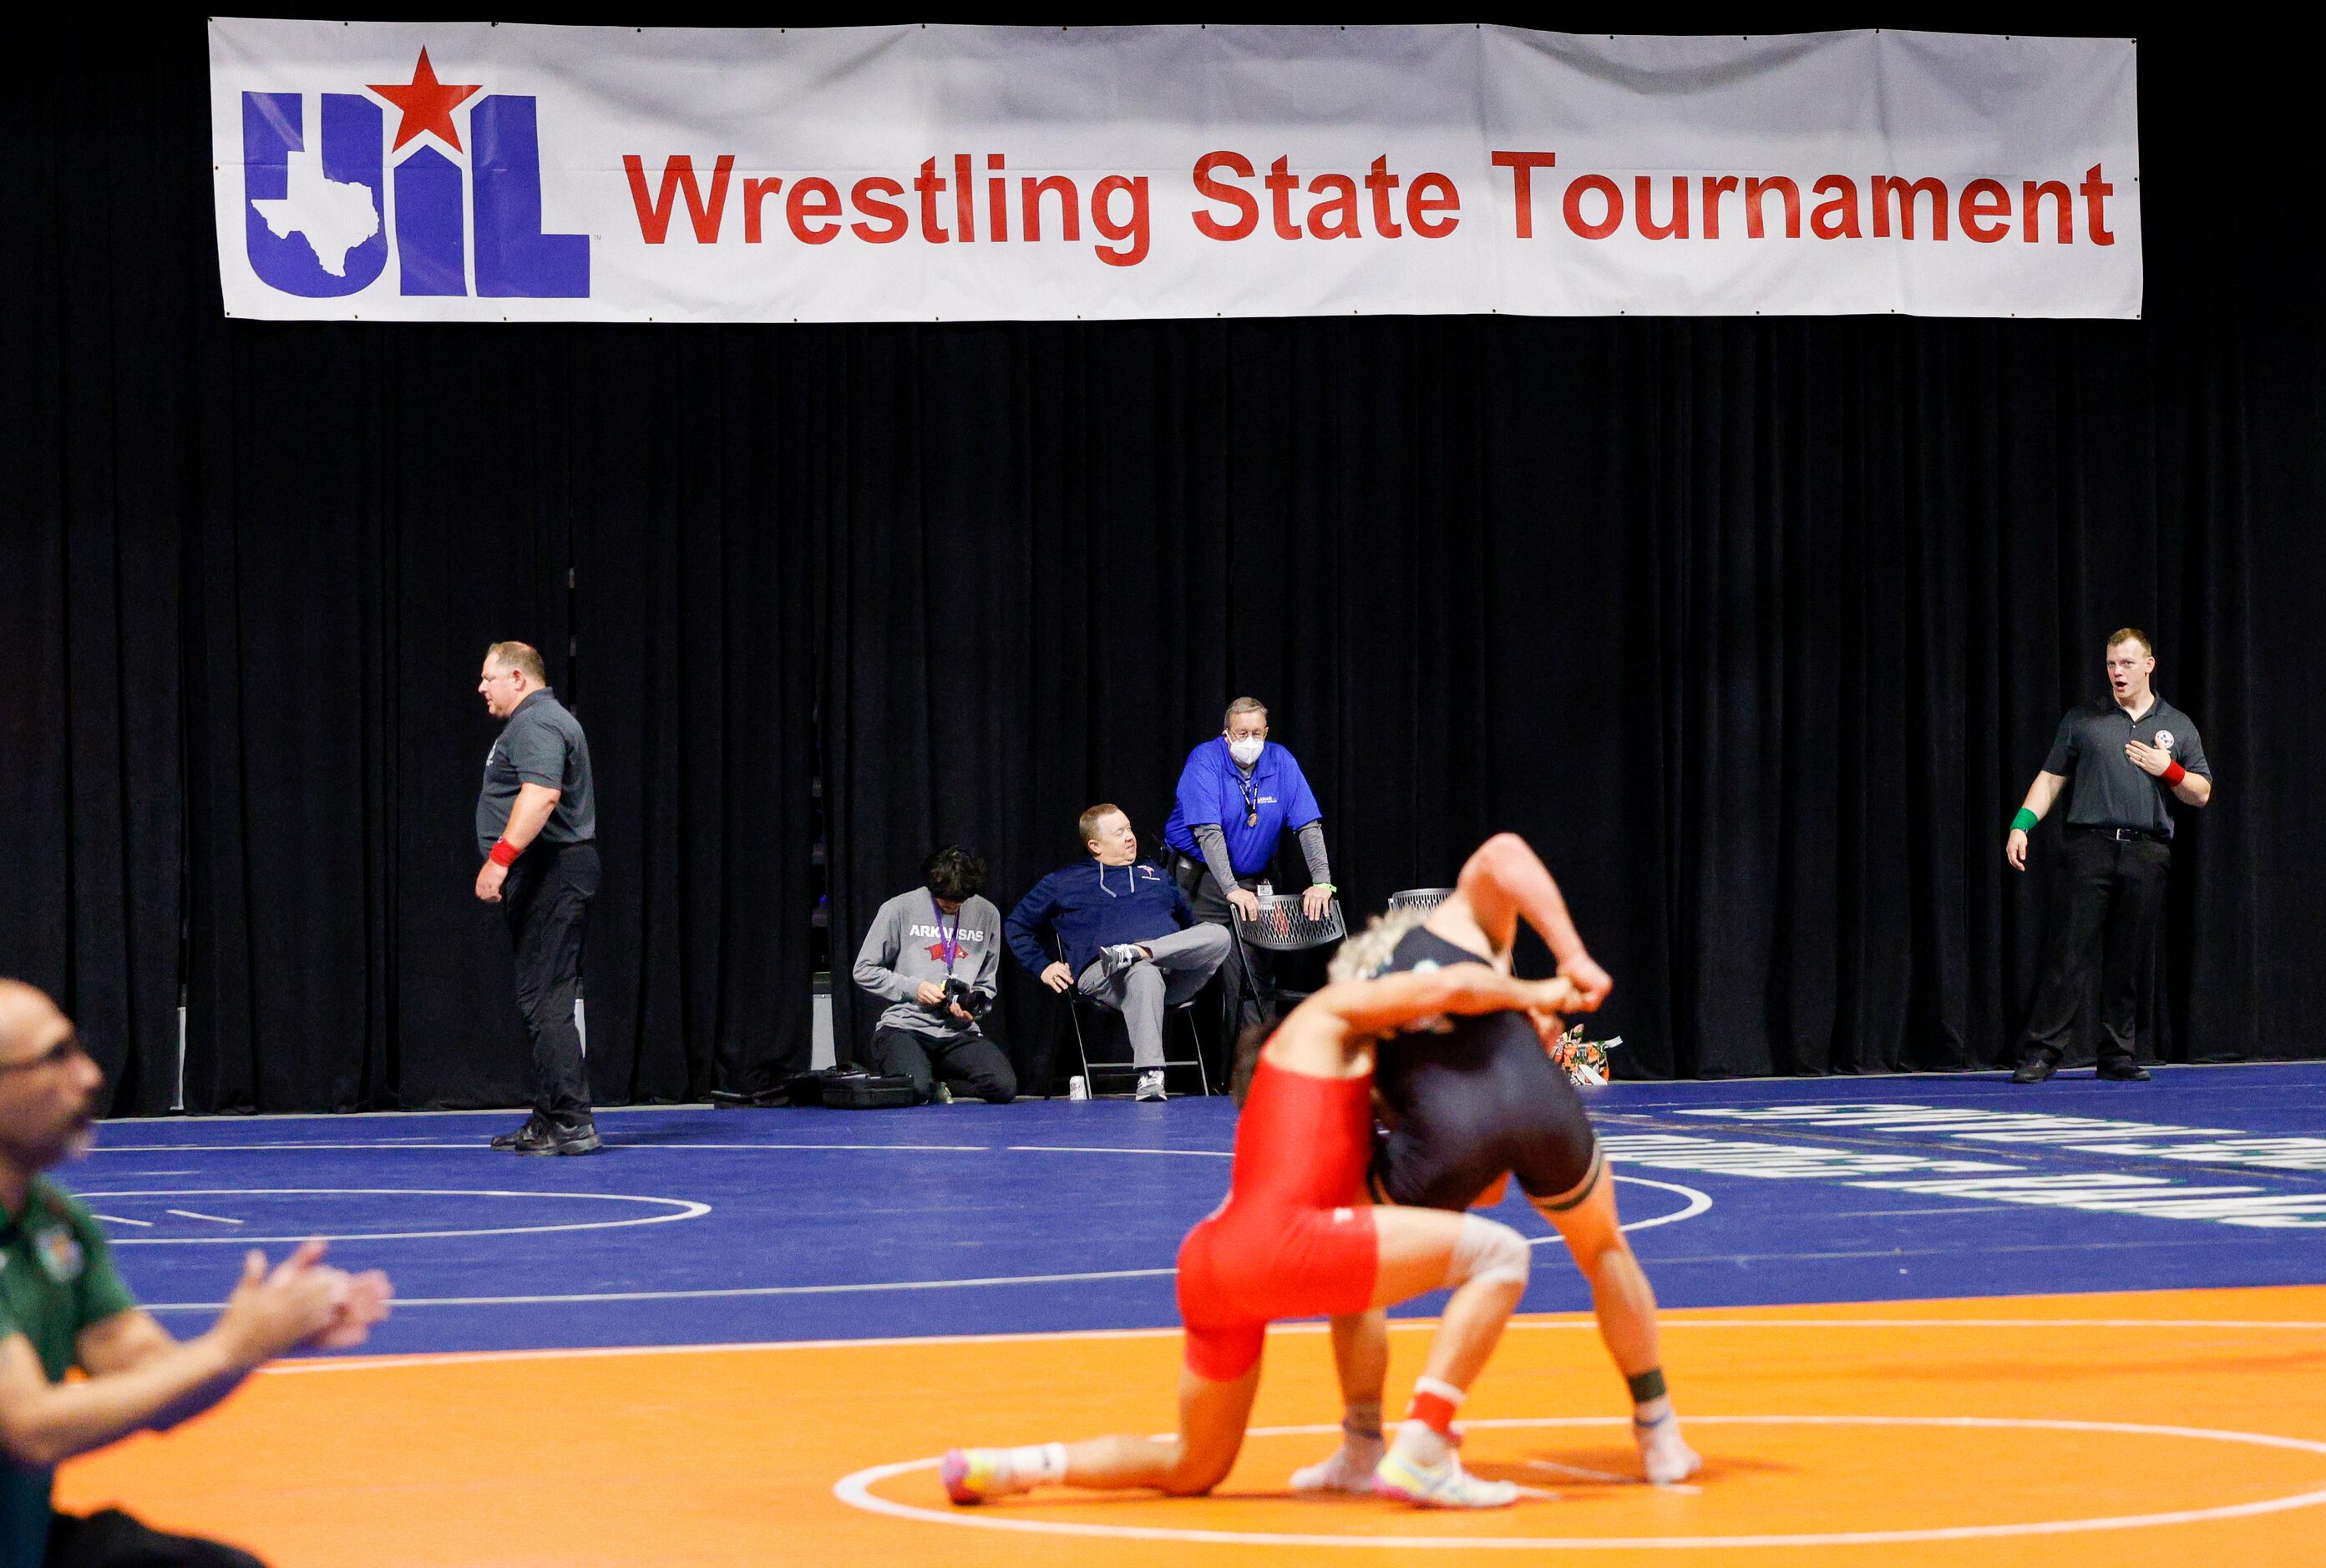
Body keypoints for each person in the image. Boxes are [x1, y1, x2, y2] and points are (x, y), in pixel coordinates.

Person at [942, 963, 1580, 1510]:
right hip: (1279, 1246)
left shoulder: (1325, 1112)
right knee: (1501, 1255)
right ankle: (1426, 1446)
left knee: (1194, 1466)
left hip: (1213, 1261)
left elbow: (1480, 1183)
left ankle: (1008, 1467)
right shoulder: (1323, 1021)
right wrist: (1538, 991)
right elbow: (1451, 985)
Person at [1285, 833, 1700, 1495]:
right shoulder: (1458, 926)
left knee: (1352, 1273)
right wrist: (1572, 958)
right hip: (1540, 1109)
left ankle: (1362, 1447)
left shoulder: (1350, 988)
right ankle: (1659, 1434)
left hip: (1444, 1132)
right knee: (1603, 1249)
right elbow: (1504, 851)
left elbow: (1369, 1109)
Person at [0, 979, 393, 1567]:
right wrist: (233, 1347)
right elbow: (31, 1429)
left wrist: (269, 1329)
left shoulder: (54, 1222)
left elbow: (151, 1372)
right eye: (56, 1058)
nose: (89, 1077)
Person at [2005, 628, 2214, 1084]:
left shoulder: (2176, 725)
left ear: (2148, 666)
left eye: (2125, 664)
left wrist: (2170, 769)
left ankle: (2117, 1053)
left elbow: (2201, 793)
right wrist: (2022, 825)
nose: (2116, 673)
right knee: (2068, 953)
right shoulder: (2085, 719)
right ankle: (2042, 1052)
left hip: (2146, 851)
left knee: (2129, 957)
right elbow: (2050, 779)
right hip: (2090, 847)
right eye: (2110, 664)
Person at [473, 641, 603, 1155]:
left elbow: (542, 793)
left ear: (518, 679)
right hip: (551, 873)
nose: (482, 687)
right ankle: (551, 1119)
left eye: (489, 677)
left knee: (546, 1001)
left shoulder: (536, 723)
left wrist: (499, 858)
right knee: (540, 1000)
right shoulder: (538, 720)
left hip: (552, 872)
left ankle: (571, 1120)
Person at [1005, 806, 1231, 1101]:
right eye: (1119, 832)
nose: (1130, 837)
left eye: (1129, 828)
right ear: (1094, 846)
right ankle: (1151, 1075)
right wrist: (1044, 967)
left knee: (1219, 934)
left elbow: (1192, 930)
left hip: (1171, 973)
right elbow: (1017, 924)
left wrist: (1151, 950)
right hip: (1106, 973)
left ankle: (1137, 951)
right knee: (1143, 970)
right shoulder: (1063, 882)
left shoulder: (1158, 876)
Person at [1162, 698, 1335, 1039]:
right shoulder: (1205, 761)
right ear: (1227, 735)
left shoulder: (1280, 760)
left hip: (1254, 883)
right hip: (1202, 881)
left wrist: (1322, 883)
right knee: (1177, 974)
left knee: (1253, 982)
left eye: (1257, 733)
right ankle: (1159, 1068)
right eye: (1242, 733)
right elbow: (1209, 834)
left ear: (1266, 732)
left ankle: (1251, 1076)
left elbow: (1308, 826)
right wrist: (1230, 889)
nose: (1250, 740)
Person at [851, 846, 1016, 1104]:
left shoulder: (988, 914)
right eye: (944, 900)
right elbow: (863, 970)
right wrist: (914, 988)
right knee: (914, 1090)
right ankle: (921, 1081)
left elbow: (986, 982)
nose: (951, 905)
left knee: (1003, 1088)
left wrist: (972, 1009)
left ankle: (939, 1085)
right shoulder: (898, 909)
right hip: (904, 1026)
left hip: (957, 1031)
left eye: (959, 901)